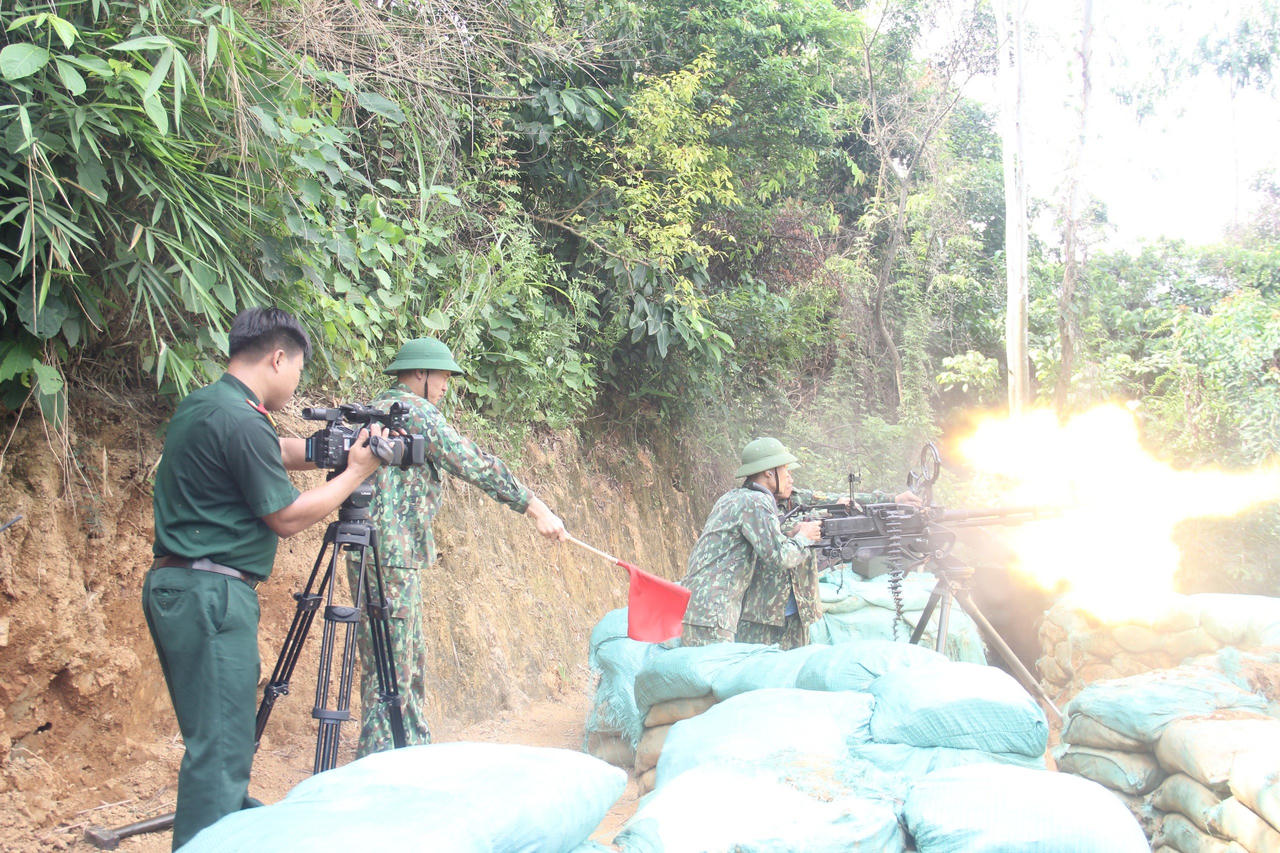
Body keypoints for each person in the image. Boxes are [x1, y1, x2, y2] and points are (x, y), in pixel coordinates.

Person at [144, 307, 386, 849]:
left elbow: (266, 453)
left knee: (215, 743)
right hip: (212, 596)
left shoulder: (205, 406)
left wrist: (336, 450)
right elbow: (288, 517)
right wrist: (357, 472)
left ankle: (234, 833)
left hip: (179, 588)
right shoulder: (242, 419)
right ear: (279, 357)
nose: (298, 380)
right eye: (298, 367)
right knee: (223, 752)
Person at [347, 337, 567, 757]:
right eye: (443, 375)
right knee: (394, 668)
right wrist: (535, 507)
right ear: (419, 375)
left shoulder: (376, 409)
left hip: (369, 550)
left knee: (393, 661)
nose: (447, 384)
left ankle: (407, 752)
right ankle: (382, 764)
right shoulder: (417, 414)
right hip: (392, 555)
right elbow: (472, 461)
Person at [681, 437, 919, 650]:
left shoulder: (739, 499)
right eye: (785, 472)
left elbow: (840, 500)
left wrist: (894, 500)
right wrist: (802, 536)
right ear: (768, 473)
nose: (790, 478)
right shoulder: (755, 502)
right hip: (740, 612)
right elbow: (779, 556)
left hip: (739, 609)